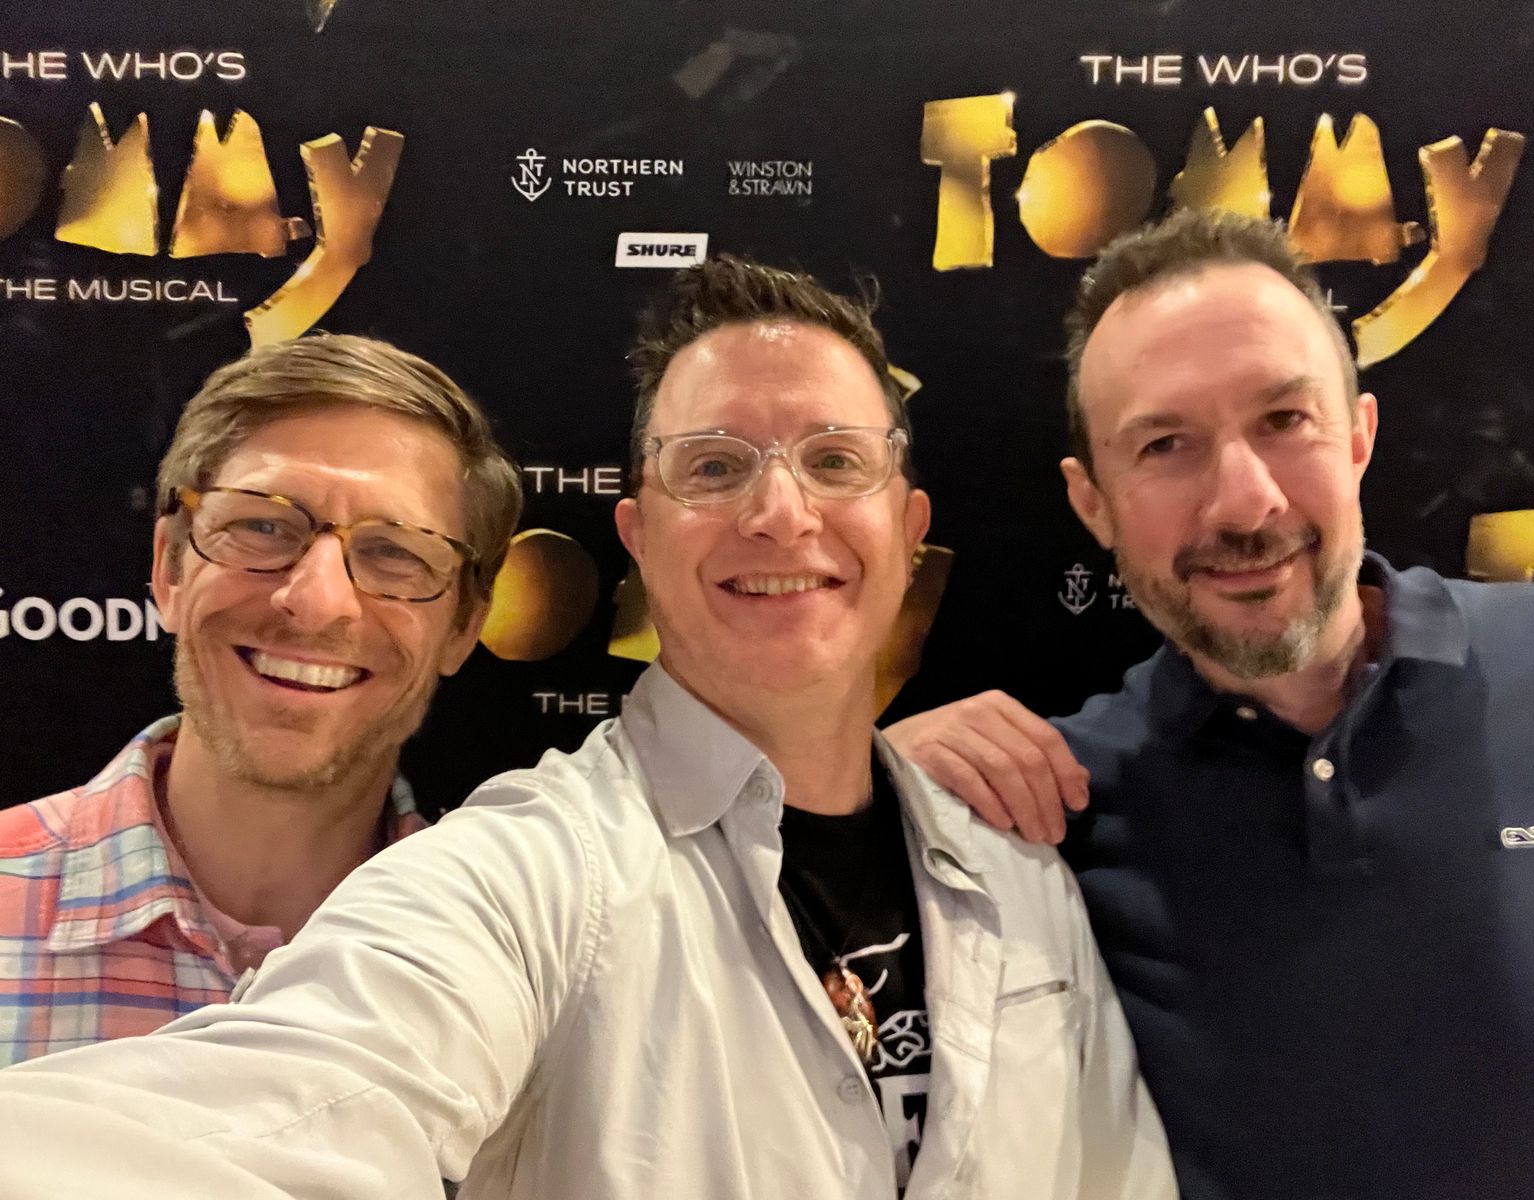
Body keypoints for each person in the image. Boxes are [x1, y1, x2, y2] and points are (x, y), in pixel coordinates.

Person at [0, 257, 1175, 1200]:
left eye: (833, 461)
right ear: (639, 537)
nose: (780, 511)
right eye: (713, 467)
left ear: (908, 529)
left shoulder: (1015, 871)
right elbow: (286, 1110)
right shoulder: (520, 872)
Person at [886, 209, 1534, 1199]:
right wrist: (871, 787)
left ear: (1359, 436)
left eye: (1284, 420)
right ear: (1092, 503)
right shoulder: (1049, 807)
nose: (1244, 503)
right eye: (1165, 444)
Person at [0, 334, 522, 1066]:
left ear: (464, 627)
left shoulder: (522, 971)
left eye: (395, 552)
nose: (316, 601)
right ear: (169, 569)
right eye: (263, 525)